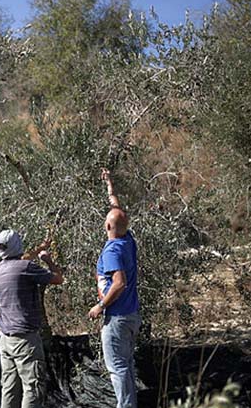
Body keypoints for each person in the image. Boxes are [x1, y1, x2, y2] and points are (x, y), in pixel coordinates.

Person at [88, 168, 141, 408]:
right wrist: (110, 185)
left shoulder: (113, 251)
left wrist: (100, 306)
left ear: (108, 227)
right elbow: (118, 212)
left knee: (117, 368)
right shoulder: (127, 239)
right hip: (131, 315)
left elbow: (119, 282)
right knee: (126, 366)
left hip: (117, 317)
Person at [0, 229, 64, 408]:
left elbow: (21, 260)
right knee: (33, 387)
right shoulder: (25, 268)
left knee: (9, 388)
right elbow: (58, 279)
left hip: (5, 339)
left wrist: (40, 246)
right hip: (25, 340)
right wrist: (47, 259)